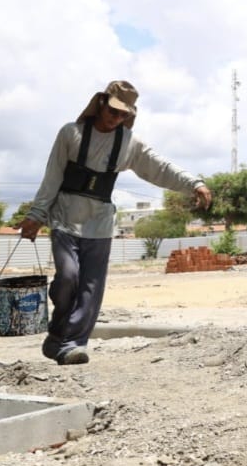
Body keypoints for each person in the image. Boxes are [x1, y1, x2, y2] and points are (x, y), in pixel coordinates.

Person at [19, 81, 211, 365]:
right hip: (65, 218)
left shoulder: (128, 144)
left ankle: (72, 344)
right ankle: (57, 333)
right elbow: (52, 176)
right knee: (69, 276)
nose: (116, 118)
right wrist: (36, 215)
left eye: (124, 114)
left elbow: (160, 168)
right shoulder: (70, 134)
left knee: (91, 287)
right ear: (100, 104)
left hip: (100, 224)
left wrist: (194, 183)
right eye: (113, 111)